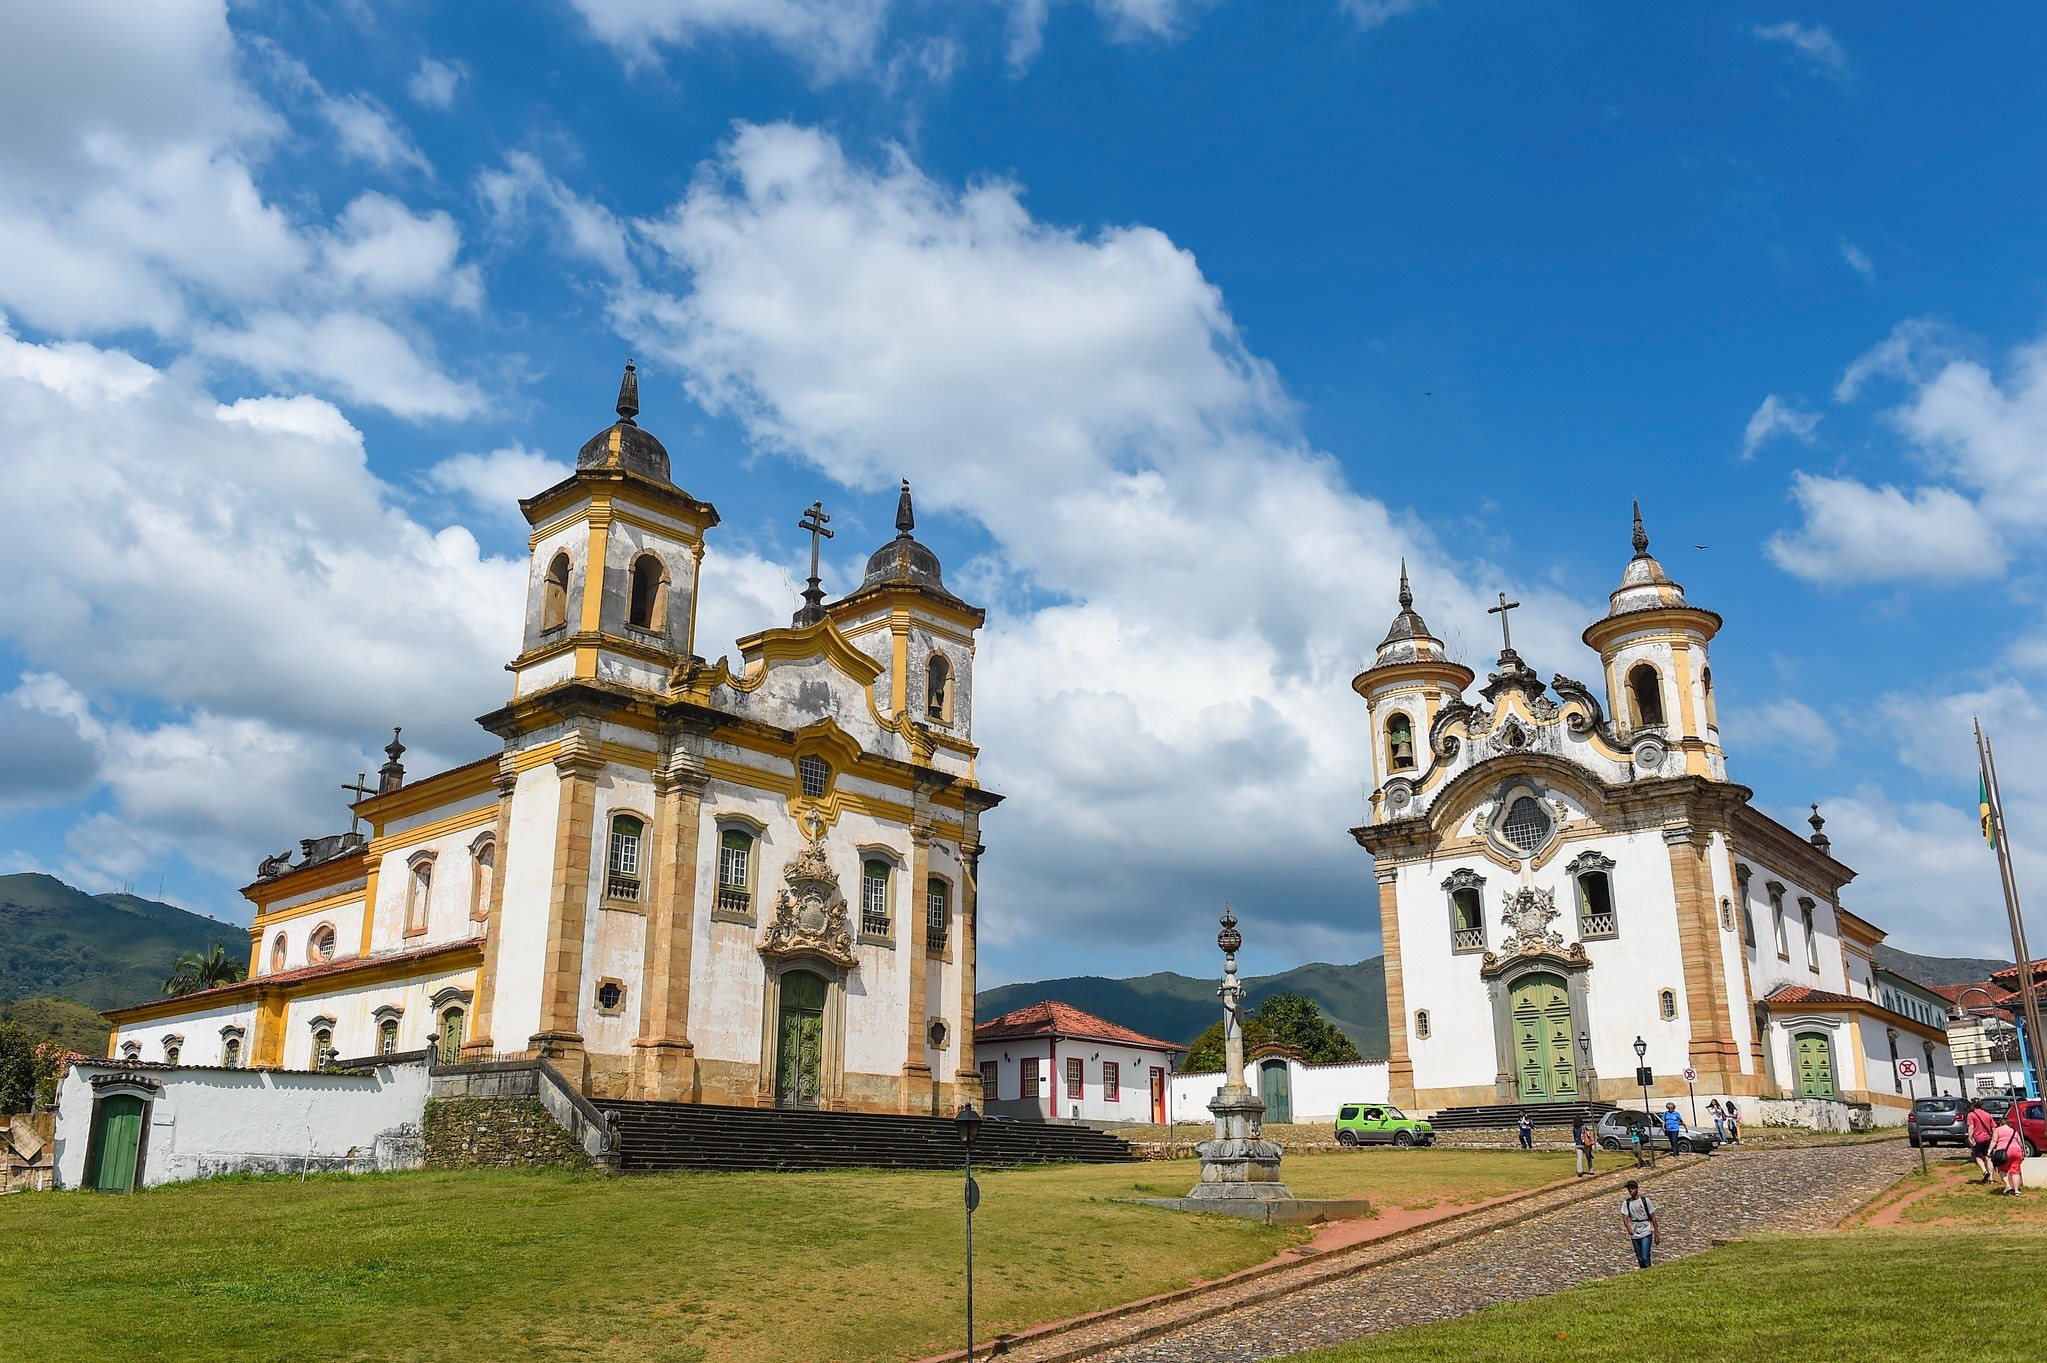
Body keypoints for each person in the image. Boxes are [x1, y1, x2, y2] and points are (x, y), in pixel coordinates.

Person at [1621, 1178, 1659, 1268]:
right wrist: (1628, 1228)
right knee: (1640, 1257)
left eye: (1632, 1188)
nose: (1631, 1190)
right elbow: (1625, 1217)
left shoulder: (1645, 1201)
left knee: (1645, 1256)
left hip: (1646, 1229)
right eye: (1629, 1188)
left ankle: (1649, 1269)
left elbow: (1653, 1217)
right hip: (1635, 1231)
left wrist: (1656, 1233)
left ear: (1637, 1188)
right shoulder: (1626, 1203)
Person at [1990, 1110, 2026, 1196]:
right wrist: (2023, 1151)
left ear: (2000, 1124)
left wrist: (1989, 1150)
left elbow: (1994, 1140)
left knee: (2002, 1169)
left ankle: (2008, 1185)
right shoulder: (2014, 1131)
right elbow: (2020, 1142)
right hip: (2017, 1151)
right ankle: (2016, 1190)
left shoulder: (1997, 1130)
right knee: (2015, 1171)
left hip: (2004, 1152)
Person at [1966, 1098, 1999, 1183]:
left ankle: (1985, 1171)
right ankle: (1991, 1179)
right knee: (1988, 1158)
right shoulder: (1987, 1114)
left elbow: (1971, 1127)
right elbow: (1993, 1127)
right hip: (1988, 1138)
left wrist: (1969, 1137)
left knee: (1978, 1156)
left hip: (1978, 1139)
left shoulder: (1971, 1115)